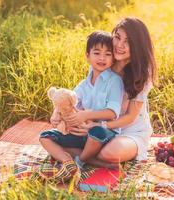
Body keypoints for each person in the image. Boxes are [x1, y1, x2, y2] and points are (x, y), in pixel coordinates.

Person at [66, 17, 157, 167]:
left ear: (137, 45)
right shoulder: (104, 59)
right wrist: (70, 114)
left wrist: (99, 126)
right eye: (117, 37)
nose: (120, 45)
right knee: (56, 135)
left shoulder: (142, 73)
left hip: (129, 132)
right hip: (98, 127)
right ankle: (90, 156)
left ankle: (86, 156)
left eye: (127, 41)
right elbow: (86, 91)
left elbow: (130, 117)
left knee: (109, 153)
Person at [38, 31, 124, 179]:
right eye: (97, 53)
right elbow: (68, 100)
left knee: (97, 132)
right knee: (45, 137)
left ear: (113, 58)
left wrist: (87, 116)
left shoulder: (114, 81)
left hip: (103, 134)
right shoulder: (84, 84)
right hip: (81, 132)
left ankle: (81, 160)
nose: (102, 58)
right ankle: (69, 161)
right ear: (87, 55)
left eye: (108, 54)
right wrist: (56, 113)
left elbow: (112, 113)